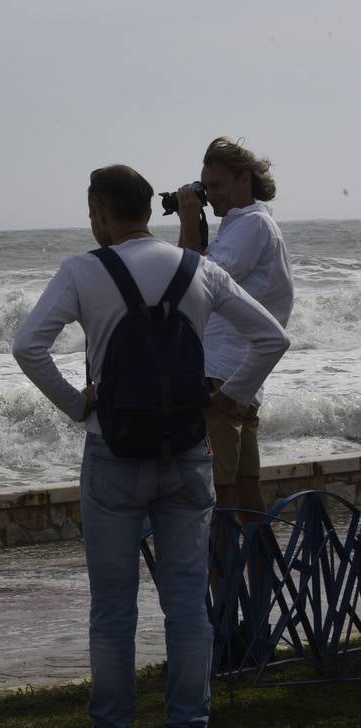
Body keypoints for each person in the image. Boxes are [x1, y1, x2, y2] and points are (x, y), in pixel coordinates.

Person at [12, 165, 289, 728]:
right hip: (188, 451)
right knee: (187, 600)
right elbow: (272, 339)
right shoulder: (199, 268)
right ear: (151, 211)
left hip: (112, 450)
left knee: (112, 603)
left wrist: (75, 404)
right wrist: (230, 395)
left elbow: (28, 346)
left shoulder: (84, 270)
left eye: (94, 213)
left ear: (103, 214)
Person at [177, 137, 294, 516]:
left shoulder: (251, 225)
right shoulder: (254, 225)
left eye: (216, 186)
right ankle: (256, 576)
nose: (210, 197)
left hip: (220, 376)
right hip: (240, 378)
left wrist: (188, 224)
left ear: (244, 179)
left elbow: (194, 281)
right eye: (205, 188)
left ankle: (222, 577)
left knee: (219, 497)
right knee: (246, 495)